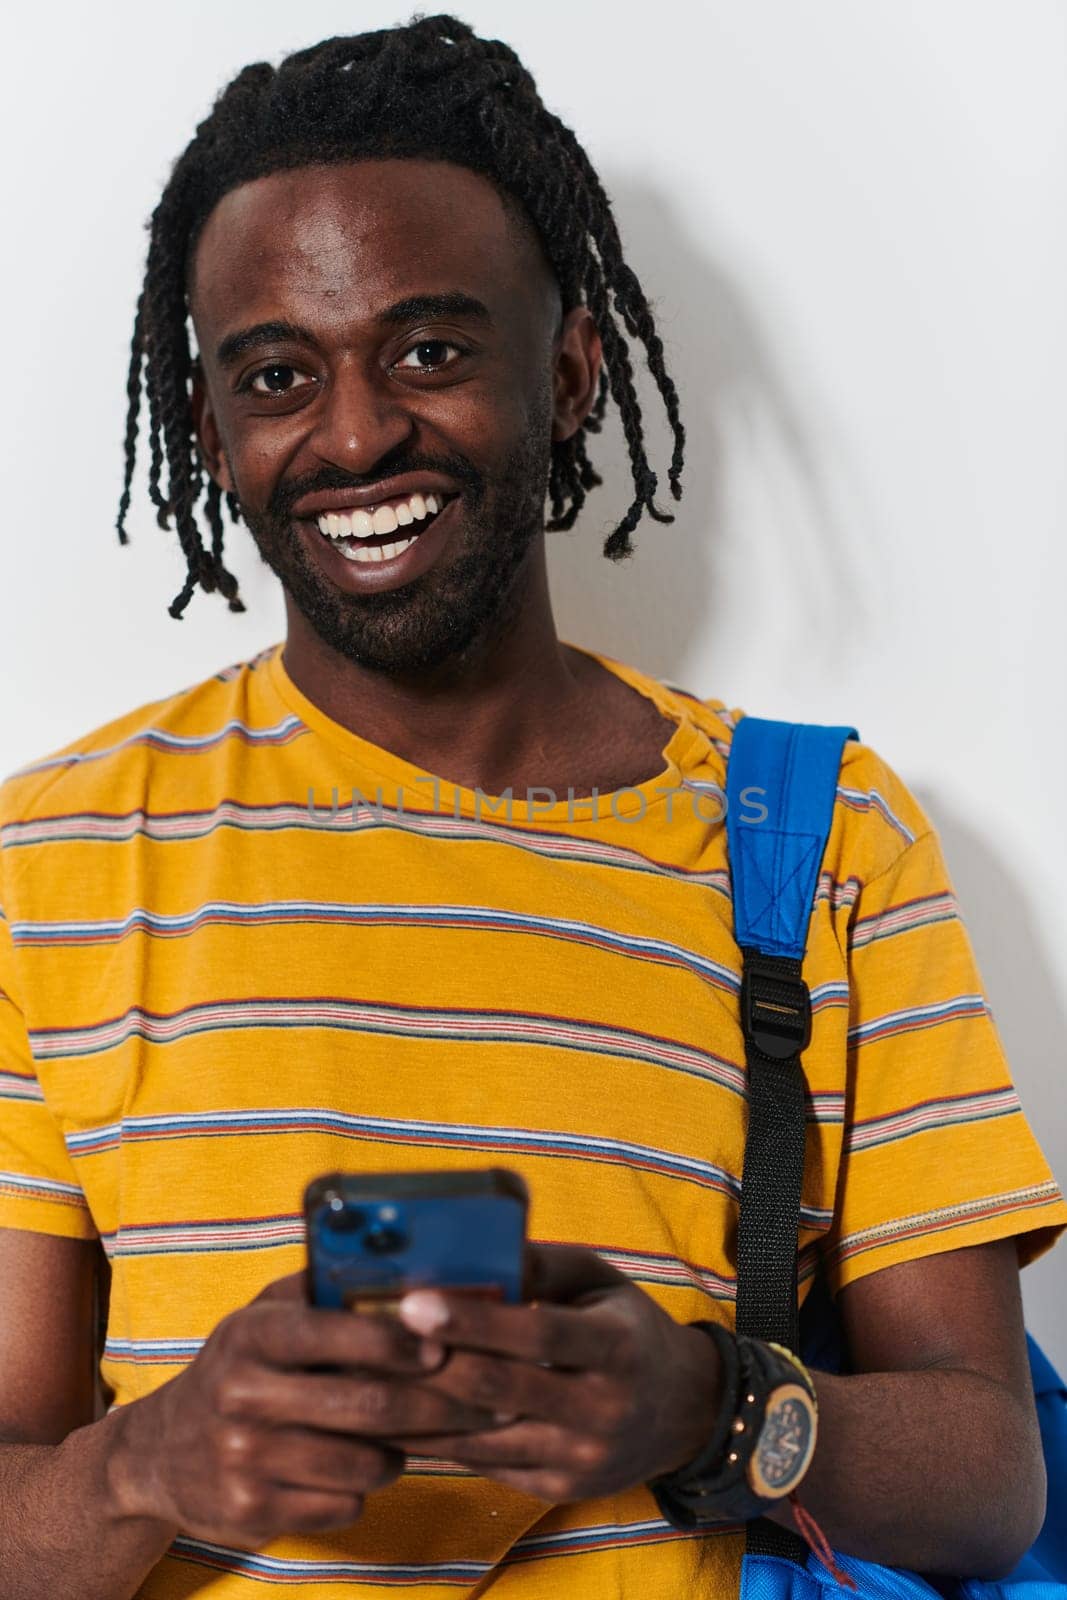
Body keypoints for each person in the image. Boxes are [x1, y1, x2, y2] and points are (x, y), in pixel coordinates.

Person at [0, 16, 1063, 1599]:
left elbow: (991, 1485)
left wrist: (704, 1403)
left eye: (431, 350)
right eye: (279, 375)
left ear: (568, 372)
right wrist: (149, 1460)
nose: (356, 435)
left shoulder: (818, 836)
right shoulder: (51, 861)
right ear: (215, 433)